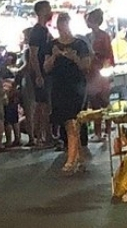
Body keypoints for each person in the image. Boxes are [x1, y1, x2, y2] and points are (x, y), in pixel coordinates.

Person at [44, 13, 91, 175]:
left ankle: (71, 160)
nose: (63, 29)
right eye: (60, 25)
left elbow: (86, 66)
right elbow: (46, 67)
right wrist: (55, 56)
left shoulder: (80, 44)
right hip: (59, 87)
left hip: (76, 87)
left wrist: (75, 58)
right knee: (67, 122)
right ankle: (79, 158)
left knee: (73, 121)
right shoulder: (52, 45)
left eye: (66, 24)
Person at [25, 0, 54, 148]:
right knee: (42, 106)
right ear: (42, 11)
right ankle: (40, 137)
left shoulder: (43, 30)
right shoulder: (38, 32)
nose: (51, 12)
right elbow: (33, 55)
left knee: (44, 105)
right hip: (41, 72)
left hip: (45, 72)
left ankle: (46, 135)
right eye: (49, 9)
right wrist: (38, 74)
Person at [84, 9, 114, 142]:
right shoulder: (87, 37)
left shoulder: (104, 36)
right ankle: (97, 131)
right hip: (91, 73)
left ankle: (107, 129)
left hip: (101, 73)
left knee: (104, 102)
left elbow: (108, 55)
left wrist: (105, 68)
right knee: (94, 103)